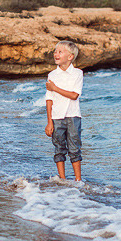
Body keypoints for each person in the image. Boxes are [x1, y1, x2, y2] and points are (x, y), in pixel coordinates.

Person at [44, 41, 83, 181]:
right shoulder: (52, 75)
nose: (56, 54)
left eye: (60, 52)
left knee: (74, 149)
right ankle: (62, 180)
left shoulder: (78, 73)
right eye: (55, 51)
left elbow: (74, 95)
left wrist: (55, 88)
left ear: (70, 56)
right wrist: (49, 122)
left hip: (73, 116)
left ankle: (78, 180)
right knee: (59, 148)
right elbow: (49, 100)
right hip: (56, 117)